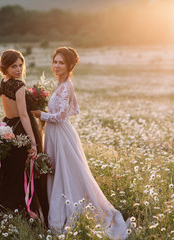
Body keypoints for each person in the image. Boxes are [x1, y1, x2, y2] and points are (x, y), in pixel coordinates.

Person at [32, 47, 130, 239]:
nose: (57, 66)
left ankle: (70, 215)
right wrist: (53, 108)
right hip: (56, 133)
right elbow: (74, 109)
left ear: (70, 66)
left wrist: (40, 114)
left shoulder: (67, 85)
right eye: (55, 62)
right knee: (60, 172)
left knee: (66, 174)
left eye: (61, 63)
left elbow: (61, 117)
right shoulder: (62, 84)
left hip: (60, 135)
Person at [0, 49, 48, 224]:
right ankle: (25, 212)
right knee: (23, 172)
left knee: (11, 171)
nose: (18, 69)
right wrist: (33, 142)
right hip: (21, 129)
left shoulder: (4, 82)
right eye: (14, 66)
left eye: (20, 65)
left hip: (8, 127)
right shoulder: (18, 85)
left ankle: (5, 209)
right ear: (5, 67)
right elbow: (24, 115)